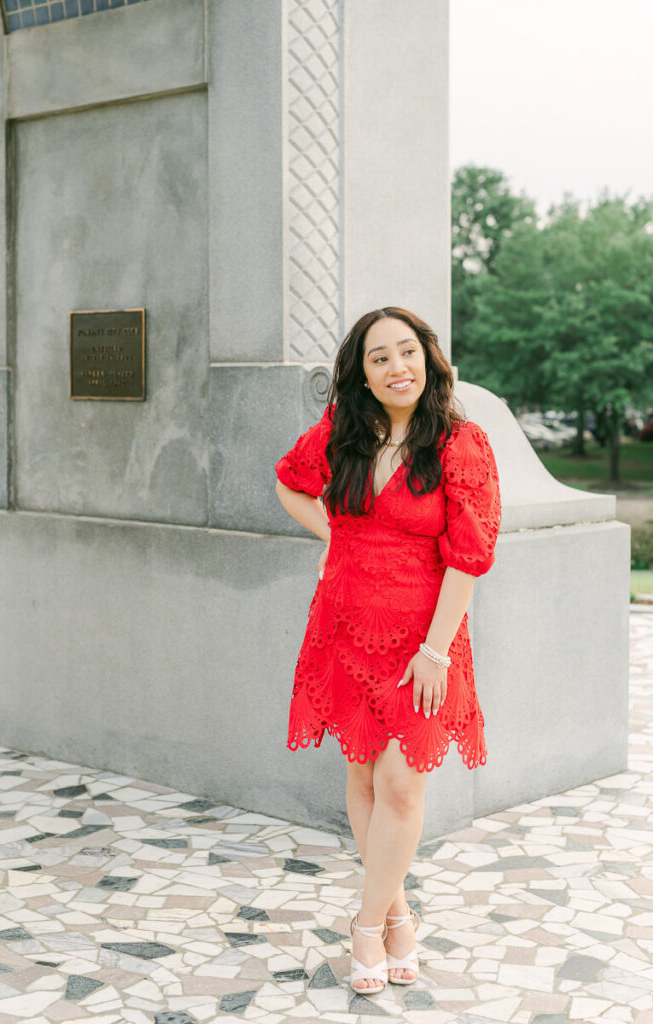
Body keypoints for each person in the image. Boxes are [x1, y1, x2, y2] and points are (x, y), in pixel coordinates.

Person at [274, 307, 502, 996]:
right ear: (362, 374)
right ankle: (397, 914)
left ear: (429, 361)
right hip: (343, 628)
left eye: (407, 352)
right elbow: (288, 480)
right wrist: (334, 540)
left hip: (422, 641)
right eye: (379, 358)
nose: (396, 367)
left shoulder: (460, 443)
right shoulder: (342, 433)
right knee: (365, 779)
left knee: (403, 783)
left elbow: (469, 554)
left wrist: (434, 652)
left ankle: (366, 924)